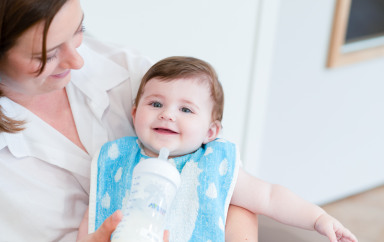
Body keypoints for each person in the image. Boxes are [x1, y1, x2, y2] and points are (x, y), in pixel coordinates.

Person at [0, 0, 258, 241]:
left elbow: (230, 184)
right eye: (47, 55)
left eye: (79, 30)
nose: (77, 61)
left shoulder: (126, 71)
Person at [88, 56, 358, 242]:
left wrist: (319, 219)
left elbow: (270, 196)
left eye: (185, 109)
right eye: (156, 104)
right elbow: (89, 223)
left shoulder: (213, 165)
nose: (167, 115)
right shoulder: (115, 160)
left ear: (211, 132)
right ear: (134, 113)